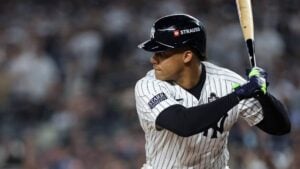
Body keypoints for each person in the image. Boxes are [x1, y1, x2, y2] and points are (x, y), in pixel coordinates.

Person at [134, 14, 291, 169]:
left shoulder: (227, 81)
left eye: (161, 53)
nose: (153, 60)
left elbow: (280, 127)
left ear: (187, 56)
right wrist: (237, 95)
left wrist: (262, 94)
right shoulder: (148, 86)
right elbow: (183, 124)